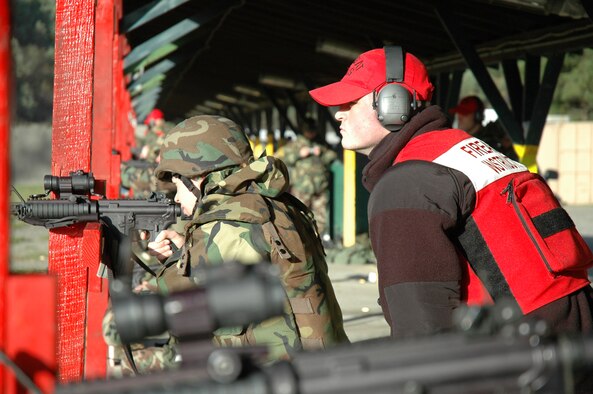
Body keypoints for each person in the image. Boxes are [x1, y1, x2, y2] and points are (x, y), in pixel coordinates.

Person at [308, 46, 593, 353]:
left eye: (352, 101)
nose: (339, 112)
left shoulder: (407, 182)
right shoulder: (467, 150)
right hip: (569, 344)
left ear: (393, 103)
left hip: (513, 360)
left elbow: (421, 333)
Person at [144, 115, 349, 363]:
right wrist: (184, 253)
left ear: (199, 176)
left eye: (178, 186)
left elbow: (179, 302)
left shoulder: (226, 222)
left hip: (285, 373)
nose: (176, 198)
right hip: (323, 362)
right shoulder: (275, 202)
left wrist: (167, 266)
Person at [281, 118, 337, 238]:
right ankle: (299, 240)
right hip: (302, 188)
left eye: (312, 131)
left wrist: (322, 154)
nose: (311, 134)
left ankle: (317, 240)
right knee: (298, 216)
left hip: (319, 187)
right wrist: (299, 154)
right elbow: (284, 160)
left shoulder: (320, 143)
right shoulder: (296, 144)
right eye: (308, 131)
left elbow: (332, 156)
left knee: (320, 218)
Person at [449, 95, 518, 160]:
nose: (459, 117)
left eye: (464, 113)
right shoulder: (457, 141)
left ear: (478, 116)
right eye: (458, 112)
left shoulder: (490, 144)